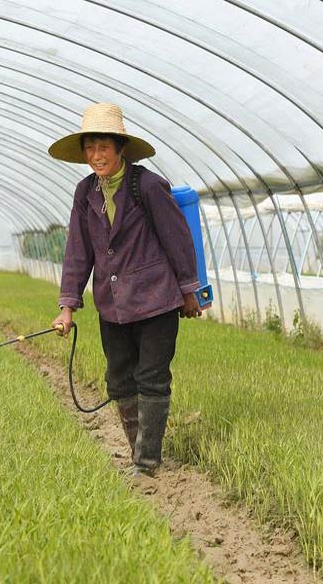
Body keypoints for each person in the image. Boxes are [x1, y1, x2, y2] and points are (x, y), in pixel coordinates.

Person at [48, 103, 202, 477]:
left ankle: (146, 462)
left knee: (151, 376)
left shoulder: (147, 185)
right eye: (90, 148)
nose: (96, 155)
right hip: (112, 306)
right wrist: (67, 304)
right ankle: (139, 452)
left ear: (120, 148)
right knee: (119, 379)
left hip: (156, 301)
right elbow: (78, 251)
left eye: (104, 147)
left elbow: (177, 238)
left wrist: (188, 291)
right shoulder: (85, 192)